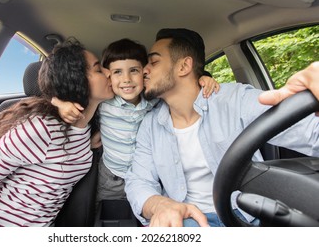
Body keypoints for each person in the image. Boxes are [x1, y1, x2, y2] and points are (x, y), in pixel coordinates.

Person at [124, 28, 319, 227]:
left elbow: (312, 133)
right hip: (186, 221)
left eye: (154, 62)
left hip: (245, 214)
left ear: (184, 66)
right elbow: (138, 180)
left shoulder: (236, 99)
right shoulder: (150, 125)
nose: (144, 70)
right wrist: (160, 205)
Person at [0, 38, 114, 227]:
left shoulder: (86, 131)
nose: (109, 72)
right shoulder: (40, 129)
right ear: (76, 80)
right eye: (99, 69)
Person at [52, 38, 220, 208]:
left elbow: (181, 92)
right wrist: (60, 104)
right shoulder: (105, 102)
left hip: (149, 179)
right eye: (117, 72)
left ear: (145, 73)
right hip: (111, 177)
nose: (126, 79)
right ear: (108, 76)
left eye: (133, 70)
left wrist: (203, 78)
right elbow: (59, 96)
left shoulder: (155, 101)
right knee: (104, 217)